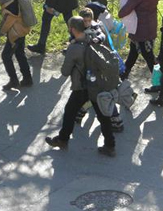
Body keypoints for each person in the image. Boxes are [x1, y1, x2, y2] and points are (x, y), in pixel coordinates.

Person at [45, 17, 115, 156]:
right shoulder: (94, 37)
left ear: (72, 29)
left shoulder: (74, 48)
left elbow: (64, 72)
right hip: (97, 84)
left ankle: (63, 139)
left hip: (82, 87)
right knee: (102, 115)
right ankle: (110, 145)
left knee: (70, 110)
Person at [119, 0, 160, 89]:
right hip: (150, 24)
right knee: (133, 53)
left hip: (140, 28)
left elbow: (126, 10)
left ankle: (159, 82)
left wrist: (120, 11)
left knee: (148, 56)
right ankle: (123, 76)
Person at [0, 0, 33, 90]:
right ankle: (27, 79)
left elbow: (9, 22)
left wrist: (2, 31)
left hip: (15, 34)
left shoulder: (11, 5)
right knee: (19, 54)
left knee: (6, 56)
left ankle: (13, 80)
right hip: (21, 31)